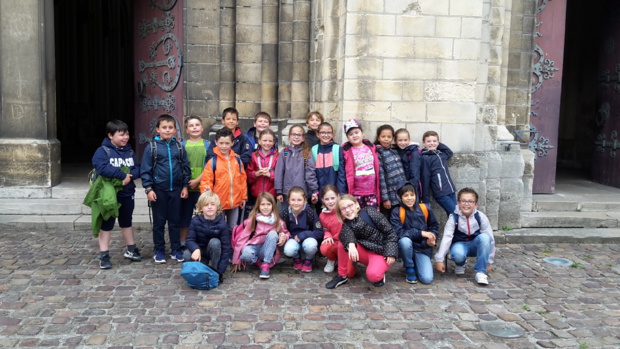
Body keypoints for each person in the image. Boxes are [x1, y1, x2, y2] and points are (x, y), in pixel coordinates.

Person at [90, 120, 142, 269]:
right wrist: (122, 176)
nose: (125, 138)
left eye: (126, 134)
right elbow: (102, 168)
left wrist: (130, 176)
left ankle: (131, 249)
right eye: (121, 135)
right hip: (109, 195)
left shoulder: (130, 152)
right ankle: (104, 254)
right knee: (107, 224)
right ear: (110, 135)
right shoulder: (102, 151)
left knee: (127, 221)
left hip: (127, 193)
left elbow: (137, 168)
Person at [141, 114, 190, 264]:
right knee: (159, 223)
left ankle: (175, 249)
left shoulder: (179, 147)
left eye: (170, 128)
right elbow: (145, 170)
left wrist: (185, 186)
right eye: (164, 127)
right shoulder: (152, 148)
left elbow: (185, 168)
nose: (167, 130)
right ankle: (159, 250)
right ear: (158, 129)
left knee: (175, 221)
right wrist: (149, 189)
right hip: (159, 190)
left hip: (175, 189)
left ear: (175, 130)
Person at [325, 194, 398, 289]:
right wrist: (351, 245)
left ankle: (379, 272)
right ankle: (341, 275)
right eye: (343, 209)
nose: (347, 210)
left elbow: (390, 232)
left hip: (381, 252)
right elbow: (345, 235)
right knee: (343, 241)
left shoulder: (369, 212)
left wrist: (391, 253)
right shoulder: (347, 224)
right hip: (364, 252)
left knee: (374, 275)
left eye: (350, 205)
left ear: (356, 204)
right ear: (341, 213)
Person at [434, 187, 496, 285]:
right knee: (457, 254)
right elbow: (447, 238)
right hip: (460, 244)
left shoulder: (481, 217)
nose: (466, 204)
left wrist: (489, 263)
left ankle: (480, 271)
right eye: (463, 201)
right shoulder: (453, 217)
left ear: (476, 204)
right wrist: (439, 259)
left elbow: (490, 240)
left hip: (475, 244)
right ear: (458, 203)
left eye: (470, 201)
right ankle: (460, 263)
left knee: (485, 238)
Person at [200, 127, 247, 236]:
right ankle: (219, 250)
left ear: (232, 143)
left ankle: (231, 249)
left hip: (235, 202)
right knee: (217, 228)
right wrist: (207, 195)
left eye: (227, 143)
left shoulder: (237, 160)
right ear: (216, 142)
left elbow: (242, 179)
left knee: (233, 228)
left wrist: (243, 197)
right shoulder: (213, 162)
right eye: (221, 143)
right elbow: (206, 181)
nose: (224, 146)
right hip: (218, 203)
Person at [232, 192, 290, 279]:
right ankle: (259, 263)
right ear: (258, 206)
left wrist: (284, 236)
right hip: (253, 247)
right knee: (245, 254)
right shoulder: (253, 220)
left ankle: (266, 264)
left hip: (267, 249)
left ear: (273, 206)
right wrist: (236, 260)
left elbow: (286, 232)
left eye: (268, 204)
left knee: (273, 234)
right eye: (263, 204)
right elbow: (242, 239)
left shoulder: (278, 221)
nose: (266, 207)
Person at [390, 181, 438, 284]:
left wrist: (432, 238)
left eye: (412, 195)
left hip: (422, 248)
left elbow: (434, 226)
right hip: (406, 247)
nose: (409, 198)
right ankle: (409, 267)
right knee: (405, 241)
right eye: (406, 195)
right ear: (400, 197)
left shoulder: (425, 208)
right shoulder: (397, 212)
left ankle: (416, 262)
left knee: (427, 279)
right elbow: (399, 233)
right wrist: (421, 233)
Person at [184, 191, 231, 278]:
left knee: (215, 242)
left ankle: (214, 269)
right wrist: (196, 249)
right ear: (201, 208)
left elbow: (226, 248)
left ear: (217, 207)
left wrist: (220, 270)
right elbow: (190, 240)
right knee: (186, 254)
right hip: (201, 250)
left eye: (212, 204)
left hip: (214, 251)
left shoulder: (222, 224)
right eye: (206, 205)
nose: (209, 207)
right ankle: (201, 267)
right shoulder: (195, 221)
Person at [180, 116, 210, 250]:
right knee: (185, 217)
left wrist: (198, 180)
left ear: (202, 128)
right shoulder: (182, 145)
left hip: (202, 187)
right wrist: (186, 184)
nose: (194, 128)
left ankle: (203, 242)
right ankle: (182, 242)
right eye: (191, 126)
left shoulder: (208, 144)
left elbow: (209, 165)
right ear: (186, 130)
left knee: (204, 216)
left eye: (197, 125)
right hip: (186, 186)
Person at [280, 186, 323, 272]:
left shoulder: (311, 213)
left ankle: (308, 259)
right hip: (293, 239)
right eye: (293, 200)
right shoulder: (285, 214)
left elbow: (319, 232)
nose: (296, 203)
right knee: (288, 250)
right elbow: (282, 229)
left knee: (311, 245)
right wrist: (282, 235)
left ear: (305, 201)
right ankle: (296, 258)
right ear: (288, 201)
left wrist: (303, 234)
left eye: (299, 200)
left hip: (308, 239)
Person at [274, 125, 319, 206]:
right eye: (293, 134)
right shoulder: (284, 152)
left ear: (303, 138)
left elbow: (310, 173)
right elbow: (279, 172)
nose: (296, 137)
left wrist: (314, 190)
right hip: (287, 193)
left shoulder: (307, 153)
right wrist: (279, 191)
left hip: (302, 193)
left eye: (299, 135)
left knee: (302, 215)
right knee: (286, 215)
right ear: (289, 136)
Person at [341, 119, 381, 209]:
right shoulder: (346, 151)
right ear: (347, 137)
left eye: (356, 132)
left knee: (372, 216)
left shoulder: (371, 147)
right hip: (356, 193)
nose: (354, 136)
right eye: (351, 134)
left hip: (372, 192)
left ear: (362, 133)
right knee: (357, 216)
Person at [420, 130, 457, 217]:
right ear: (423, 143)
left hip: (451, 190)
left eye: (434, 141)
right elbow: (425, 178)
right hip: (441, 193)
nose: (431, 143)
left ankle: (452, 231)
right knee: (456, 214)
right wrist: (426, 199)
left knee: (452, 215)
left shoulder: (441, 154)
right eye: (428, 141)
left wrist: (437, 144)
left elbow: (449, 152)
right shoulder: (425, 158)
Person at [312, 122, 347, 206]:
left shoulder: (337, 149)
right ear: (318, 134)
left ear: (332, 134)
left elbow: (341, 173)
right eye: (323, 132)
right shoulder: (314, 150)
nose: (326, 135)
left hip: (334, 193)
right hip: (320, 193)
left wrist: (341, 193)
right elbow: (312, 173)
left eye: (328, 132)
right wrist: (314, 192)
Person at [375, 124, 407, 216]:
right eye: (383, 136)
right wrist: (385, 198)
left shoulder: (396, 150)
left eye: (389, 137)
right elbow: (381, 177)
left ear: (393, 138)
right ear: (378, 138)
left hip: (402, 192)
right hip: (391, 196)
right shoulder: (379, 153)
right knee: (392, 218)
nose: (386, 139)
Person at [247, 129, 279, 199]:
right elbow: (248, 175)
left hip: (271, 194)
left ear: (274, 142)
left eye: (270, 141)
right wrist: (256, 174)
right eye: (264, 140)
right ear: (259, 141)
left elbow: (281, 175)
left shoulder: (278, 156)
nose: (267, 143)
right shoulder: (253, 155)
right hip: (256, 194)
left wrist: (270, 175)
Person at [318, 185, 342, 273]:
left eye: (333, 198)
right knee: (324, 247)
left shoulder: (344, 210)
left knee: (349, 273)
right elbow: (325, 229)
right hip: (334, 242)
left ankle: (342, 260)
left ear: (338, 196)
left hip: (345, 242)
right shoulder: (323, 215)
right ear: (323, 200)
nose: (330, 201)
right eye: (327, 199)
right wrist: (327, 236)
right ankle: (332, 259)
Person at [394, 128, 422, 196]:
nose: (403, 143)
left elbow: (414, 174)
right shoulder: (397, 151)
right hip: (401, 186)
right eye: (400, 140)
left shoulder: (414, 153)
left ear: (409, 140)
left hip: (410, 188)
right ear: (395, 141)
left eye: (405, 140)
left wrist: (411, 190)